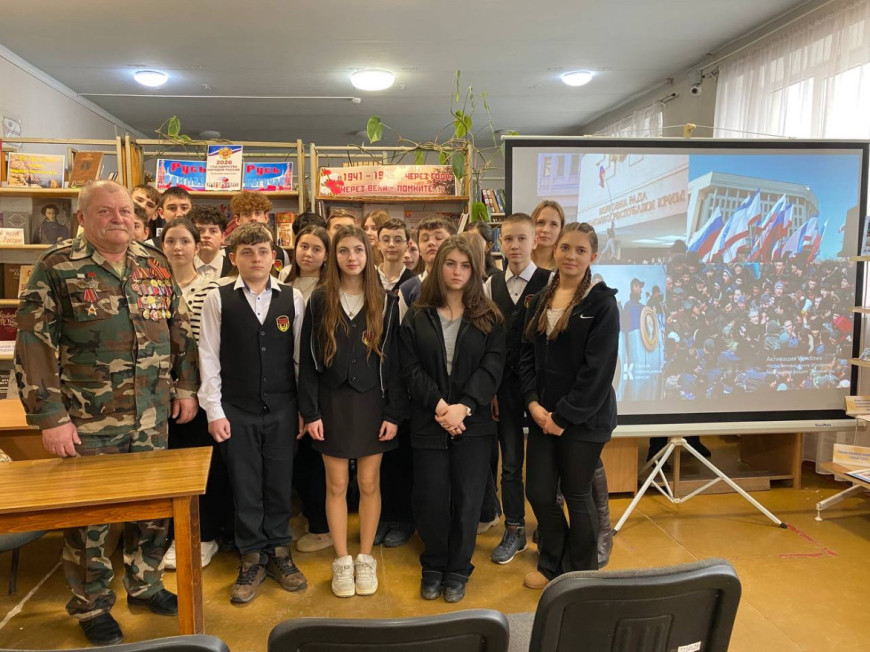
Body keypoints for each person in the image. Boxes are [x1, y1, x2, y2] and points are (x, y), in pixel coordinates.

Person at [14, 180, 200, 646]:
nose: (119, 218)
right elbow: (34, 344)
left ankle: (146, 584)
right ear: (82, 218)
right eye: (106, 211)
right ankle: (92, 605)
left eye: (125, 211)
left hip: (152, 414)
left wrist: (186, 387)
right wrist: (50, 416)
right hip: (87, 420)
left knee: (153, 510)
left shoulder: (154, 263)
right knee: (90, 520)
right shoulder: (56, 267)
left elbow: (178, 327)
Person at [197, 223, 307, 604]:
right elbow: (208, 356)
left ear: (274, 257)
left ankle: (279, 551)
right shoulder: (218, 299)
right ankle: (251, 557)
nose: (256, 259)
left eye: (262, 252)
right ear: (234, 258)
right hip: (236, 409)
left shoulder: (292, 298)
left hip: (283, 407)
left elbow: (299, 359)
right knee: (245, 484)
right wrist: (214, 410)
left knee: (279, 481)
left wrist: (304, 408)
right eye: (247, 252)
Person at [299, 224, 405, 597]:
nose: (351, 257)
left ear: (368, 253)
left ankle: (365, 557)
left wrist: (393, 413)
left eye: (358, 250)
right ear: (334, 256)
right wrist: (311, 412)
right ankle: (342, 559)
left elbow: (395, 363)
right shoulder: (319, 300)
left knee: (369, 483)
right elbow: (308, 361)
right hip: (332, 404)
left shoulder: (387, 302)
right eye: (343, 250)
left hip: (373, 403)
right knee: (336, 484)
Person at [400, 235, 505, 603]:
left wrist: (465, 406)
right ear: (438, 267)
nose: (457, 272)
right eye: (450, 264)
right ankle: (433, 564)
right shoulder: (417, 314)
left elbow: (492, 367)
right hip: (429, 420)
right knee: (430, 497)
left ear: (475, 271)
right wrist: (441, 406)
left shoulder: (490, 316)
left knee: (467, 499)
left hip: (473, 424)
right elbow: (409, 368)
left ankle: (458, 568)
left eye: (465, 265)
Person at [519, 222, 619, 590]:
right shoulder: (540, 298)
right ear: (555, 250)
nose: (571, 256)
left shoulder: (602, 303)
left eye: (580, 250)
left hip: (584, 421)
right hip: (542, 417)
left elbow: (597, 372)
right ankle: (552, 564)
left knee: (577, 495)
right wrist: (532, 402)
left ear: (593, 256)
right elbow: (526, 354)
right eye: (565, 248)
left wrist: (563, 417)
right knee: (539, 492)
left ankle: (581, 575)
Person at [158, 219, 229, 570]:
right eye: (170, 240)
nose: (178, 247)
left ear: (197, 246)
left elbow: (214, 345)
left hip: (201, 391)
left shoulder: (212, 289)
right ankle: (172, 535)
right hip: (159, 393)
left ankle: (205, 536)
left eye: (185, 241)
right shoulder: (152, 287)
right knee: (167, 469)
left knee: (204, 466)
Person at [484, 213, 553, 564]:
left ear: (535, 241)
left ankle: (549, 526)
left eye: (521, 238)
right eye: (508, 239)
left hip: (542, 389)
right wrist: (492, 390)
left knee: (545, 463)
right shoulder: (489, 285)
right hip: (505, 389)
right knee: (510, 464)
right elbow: (487, 340)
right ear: (500, 243)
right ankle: (514, 529)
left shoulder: (550, 281)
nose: (514, 245)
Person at [397, 216, 457, 319]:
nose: (431, 243)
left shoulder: (464, 283)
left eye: (438, 238)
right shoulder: (407, 289)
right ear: (419, 249)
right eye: (425, 239)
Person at [278, 225, 329, 301]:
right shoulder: (285, 273)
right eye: (304, 247)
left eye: (316, 250)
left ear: (326, 256)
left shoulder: (329, 283)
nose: (308, 254)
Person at [189, 205, 232, 279]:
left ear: (223, 236)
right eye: (199, 230)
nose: (206, 235)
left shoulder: (235, 262)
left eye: (213, 231)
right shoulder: (182, 262)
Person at [376, 218, 415, 293]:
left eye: (398, 240)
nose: (391, 245)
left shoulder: (415, 282)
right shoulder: (368, 279)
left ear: (407, 245)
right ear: (378, 244)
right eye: (386, 240)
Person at [530, 200, 565, 270]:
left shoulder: (564, 268)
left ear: (561, 230)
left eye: (553, 224)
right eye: (540, 222)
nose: (546, 230)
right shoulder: (519, 262)